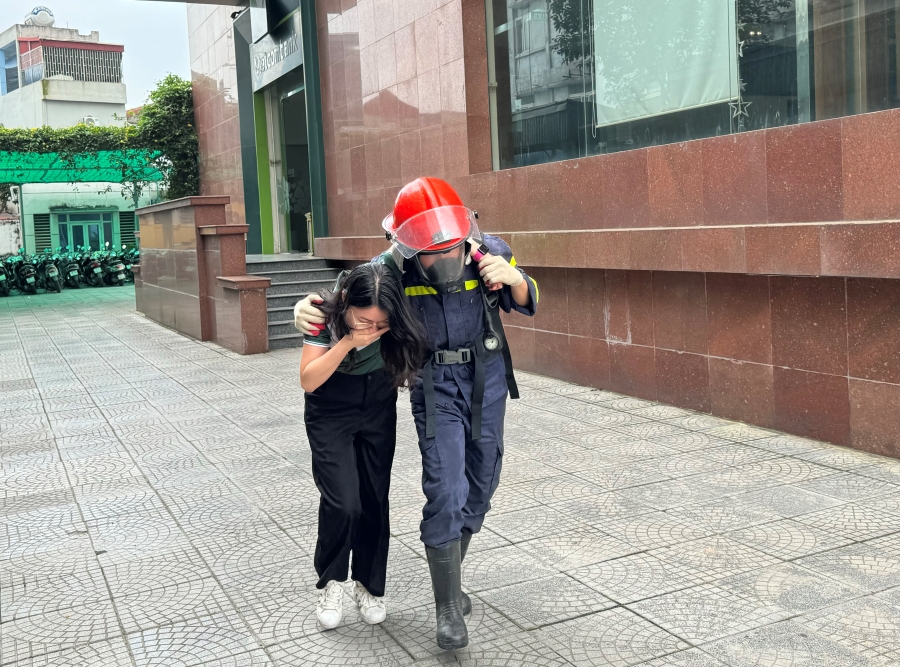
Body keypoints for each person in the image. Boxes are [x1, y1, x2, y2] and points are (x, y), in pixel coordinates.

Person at [295, 177, 538, 649]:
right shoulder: (393, 269)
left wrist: (517, 280)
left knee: (482, 484)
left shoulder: (490, 251)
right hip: (434, 384)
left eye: (451, 247)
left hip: (486, 379)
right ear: (408, 245)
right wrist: (303, 310)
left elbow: (527, 298)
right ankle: (447, 607)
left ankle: (452, 580)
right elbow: (343, 297)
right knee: (446, 488)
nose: (444, 257)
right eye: (431, 251)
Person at [300, 262, 427, 630]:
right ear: (345, 301)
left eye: (380, 324)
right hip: (330, 407)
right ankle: (331, 582)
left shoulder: (392, 311)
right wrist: (347, 342)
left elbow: (409, 246)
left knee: (374, 497)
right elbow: (308, 379)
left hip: (378, 401)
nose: (372, 329)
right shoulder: (323, 315)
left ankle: (368, 586)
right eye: (364, 320)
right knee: (343, 501)